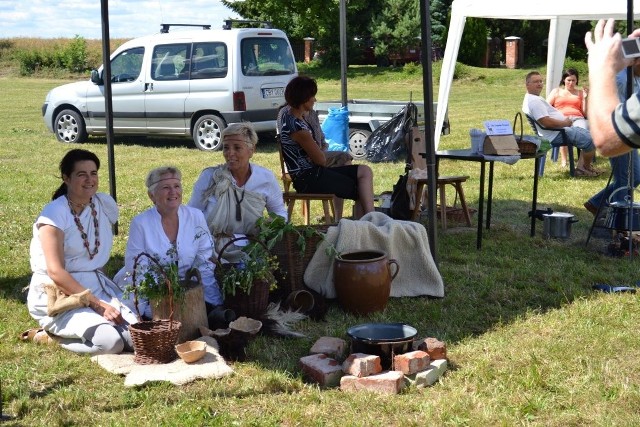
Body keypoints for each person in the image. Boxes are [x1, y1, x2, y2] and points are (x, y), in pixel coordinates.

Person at [26, 149, 137, 354]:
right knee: (111, 343)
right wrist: (99, 305)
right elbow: (56, 272)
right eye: (81, 174)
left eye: (93, 173)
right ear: (66, 178)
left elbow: (95, 256)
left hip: (95, 287)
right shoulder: (54, 215)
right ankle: (51, 337)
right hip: (60, 294)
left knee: (135, 339)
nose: (89, 179)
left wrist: (104, 296)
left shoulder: (102, 204)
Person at [114, 166, 224, 322]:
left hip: (186, 289)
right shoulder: (140, 223)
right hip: (150, 290)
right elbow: (138, 270)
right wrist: (148, 310)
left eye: (177, 186)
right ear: (152, 195)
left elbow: (204, 262)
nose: (173, 192)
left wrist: (215, 303)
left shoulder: (196, 216)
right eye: (166, 187)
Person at [188, 122, 288, 262]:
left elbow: (279, 212)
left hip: (253, 248)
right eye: (226, 147)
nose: (230, 153)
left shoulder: (265, 179)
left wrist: (271, 228)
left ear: (251, 150)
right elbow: (192, 215)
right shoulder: (211, 177)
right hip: (210, 251)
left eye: (237, 148)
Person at [279, 75, 375, 219]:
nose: (315, 100)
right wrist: (321, 149)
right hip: (309, 179)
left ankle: (371, 220)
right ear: (304, 98)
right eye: (312, 96)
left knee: (364, 171)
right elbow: (321, 160)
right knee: (361, 189)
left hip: (314, 173)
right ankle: (369, 224)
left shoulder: (290, 115)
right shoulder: (298, 128)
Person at [585, 58, 640, 216]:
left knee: (634, 177)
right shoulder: (618, 73)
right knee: (625, 179)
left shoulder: (635, 76)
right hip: (615, 129)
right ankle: (619, 223)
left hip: (631, 131)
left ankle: (597, 203)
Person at [277, 103, 353, 219]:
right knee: (344, 158)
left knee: (344, 159)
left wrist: (319, 149)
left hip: (317, 155)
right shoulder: (287, 113)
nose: (314, 99)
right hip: (298, 164)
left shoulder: (312, 113)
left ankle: (338, 215)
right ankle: (339, 213)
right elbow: (285, 140)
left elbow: (322, 139)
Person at [523, 70, 599, 177]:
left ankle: (583, 168)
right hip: (557, 133)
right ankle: (583, 169)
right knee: (593, 139)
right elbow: (546, 122)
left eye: (541, 81)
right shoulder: (534, 101)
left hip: (559, 129)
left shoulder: (532, 98)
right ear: (527, 84)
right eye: (536, 82)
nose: (539, 84)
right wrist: (564, 123)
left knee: (591, 135)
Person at [585, 19, 640, 157]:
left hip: (617, 121)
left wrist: (601, 67)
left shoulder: (615, 72)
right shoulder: (621, 74)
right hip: (620, 118)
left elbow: (606, 138)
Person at [547, 68, 589, 168]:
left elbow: (585, 113)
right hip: (562, 118)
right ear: (564, 80)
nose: (571, 83)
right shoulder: (556, 91)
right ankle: (564, 160)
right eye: (568, 80)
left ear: (576, 81)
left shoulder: (580, 93)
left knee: (585, 133)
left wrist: (586, 98)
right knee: (565, 131)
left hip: (577, 117)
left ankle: (581, 163)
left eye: (573, 80)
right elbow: (546, 106)